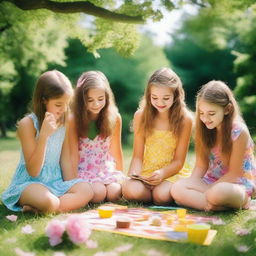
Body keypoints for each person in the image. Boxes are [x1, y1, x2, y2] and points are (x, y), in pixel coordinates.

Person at [2, 70, 93, 213]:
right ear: (43, 100)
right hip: (30, 183)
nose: (63, 109)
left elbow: (65, 160)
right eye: (58, 105)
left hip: (54, 182)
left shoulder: (65, 122)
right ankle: (50, 206)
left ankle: (42, 208)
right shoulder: (28, 124)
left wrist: (71, 185)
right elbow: (33, 171)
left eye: (66, 104)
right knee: (50, 202)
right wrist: (44, 136)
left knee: (87, 190)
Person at [171, 80, 256, 211]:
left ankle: (240, 202)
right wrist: (191, 185)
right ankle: (211, 206)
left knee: (217, 193)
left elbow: (234, 173)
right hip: (210, 182)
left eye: (211, 114)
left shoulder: (239, 132)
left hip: (235, 185)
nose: (205, 119)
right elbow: (200, 166)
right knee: (177, 188)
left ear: (227, 109)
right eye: (201, 113)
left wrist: (203, 191)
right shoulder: (203, 130)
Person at [122, 67, 193, 205]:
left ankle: (154, 196)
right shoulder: (140, 116)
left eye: (166, 98)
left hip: (170, 174)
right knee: (131, 190)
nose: (160, 103)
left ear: (176, 96)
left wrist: (162, 174)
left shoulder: (185, 119)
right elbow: (137, 155)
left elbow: (179, 162)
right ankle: (148, 195)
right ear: (148, 96)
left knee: (161, 196)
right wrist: (134, 175)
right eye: (154, 98)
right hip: (146, 173)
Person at [69, 70, 124, 203]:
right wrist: (72, 182)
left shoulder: (115, 118)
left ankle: (106, 191)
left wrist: (121, 176)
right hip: (83, 170)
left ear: (107, 97)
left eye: (100, 99)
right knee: (99, 193)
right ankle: (96, 193)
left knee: (115, 192)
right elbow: (72, 154)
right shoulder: (73, 120)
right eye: (90, 100)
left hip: (104, 168)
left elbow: (116, 150)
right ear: (82, 100)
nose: (96, 104)